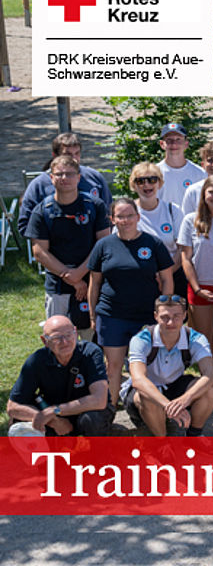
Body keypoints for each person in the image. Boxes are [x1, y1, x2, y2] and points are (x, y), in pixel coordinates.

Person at [88, 198, 174, 405]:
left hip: (145, 316)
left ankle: (150, 407)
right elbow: (95, 282)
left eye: (129, 216)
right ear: (112, 219)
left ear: (138, 217)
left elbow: (166, 279)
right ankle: (110, 409)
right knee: (113, 366)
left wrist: (164, 311)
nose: (125, 220)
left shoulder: (153, 243)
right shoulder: (103, 245)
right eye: (120, 216)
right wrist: (93, 315)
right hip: (112, 315)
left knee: (147, 365)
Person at [25, 155, 111, 332]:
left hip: (92, 284)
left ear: (79, 177)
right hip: (58, 287)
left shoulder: (94, 205)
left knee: (92, 338)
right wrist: (70, 277)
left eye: (70, 174)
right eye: (59, 174)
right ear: (51, 178)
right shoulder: (42, 211)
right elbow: (39, 252)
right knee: (58, 338)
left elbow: (103, 243)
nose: (64, 178)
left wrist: (79, 273)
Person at [123, 295, 213, 437]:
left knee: (212, 388)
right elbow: (139, 380)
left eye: (176, 316)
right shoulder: (141, 338)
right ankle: (163, 442)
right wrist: (168, 405)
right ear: (156, 316)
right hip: (148, 390)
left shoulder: (195, 338)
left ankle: (194, 434)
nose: (171, 322)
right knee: (145, 395)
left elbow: (211, 374)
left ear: (185, 315)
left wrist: (186, 399)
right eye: (165, 317)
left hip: (174, 385)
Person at [7, 316, 112, 436]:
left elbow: (99, 400)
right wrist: (52, 420)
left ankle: (95, 452)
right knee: (19, 423)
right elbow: (13, 407)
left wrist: (55, 410)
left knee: (92, 419)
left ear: (76, 332)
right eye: (57, 338)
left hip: (85, 411)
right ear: (45, 341)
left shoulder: (91, 353)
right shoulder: (37, 361)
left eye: (68, 335)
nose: (65, 342)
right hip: (55, 417)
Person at [177, 174, 213, 356]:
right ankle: (209, 380)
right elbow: (186, 258)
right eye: (211, 192)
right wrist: (198, 289)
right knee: (203, 342)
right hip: (200, 287)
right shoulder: (190, 221)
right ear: (203, 194)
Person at [18, 132, 112, 237]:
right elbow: (25, 225)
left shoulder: (95, 178)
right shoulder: (39, 185)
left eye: (77, 153)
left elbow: (109, 215)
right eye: (68, 154)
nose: (74, 159)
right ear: (55, 156)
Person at [130, 162, 187, 297]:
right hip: (139, 279)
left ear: (160, 183)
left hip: (174, 275)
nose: (147, 185)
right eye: (140, 181)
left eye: (152, 180)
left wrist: (165, 275)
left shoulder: (173, 210)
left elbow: (182, 249)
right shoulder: (128, 211)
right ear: (133, 185)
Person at [155, 123, 206, 208]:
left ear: (186, 144)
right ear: (162, 144)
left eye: (178, 139)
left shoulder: (199, 173)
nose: (174, 144)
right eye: (169, 140)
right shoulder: (154, 173)